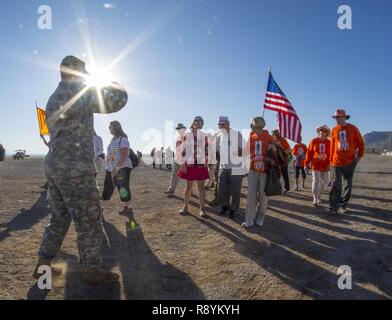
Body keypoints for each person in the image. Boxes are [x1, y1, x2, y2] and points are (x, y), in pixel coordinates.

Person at [33, 55, 128, 284]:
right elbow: (118, 100)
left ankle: (43, 265)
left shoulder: (55, 96)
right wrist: (117, 83)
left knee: (59, 218)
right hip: (75, 169)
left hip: (54, 167)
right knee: (88, 219)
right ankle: (91, 270)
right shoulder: (78, 92)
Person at [329, 109, 364, 214]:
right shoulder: (334, 130)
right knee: (336, 184)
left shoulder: (353, 128)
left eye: (338, 117)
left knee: (348, 184)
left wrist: (359, 157)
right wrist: (330, 160)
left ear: (344, 117)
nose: (337, 119)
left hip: (350, 161)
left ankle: (343, 206)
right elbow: (332, 146)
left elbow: (361, 143)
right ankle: (334, 207)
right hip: (336, 162)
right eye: (336, 117)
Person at [242, 117, 274, 228]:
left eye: (251, 125)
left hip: (265, 172)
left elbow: (275, 154)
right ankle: (249, 220)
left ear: (256, 126)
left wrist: (271, 150)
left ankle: (261, 217)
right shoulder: (251, 137)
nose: (251, 127)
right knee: (250, 195)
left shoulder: (269, 137)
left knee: (263, 196)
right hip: (253, 170)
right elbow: (246, 152)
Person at [178, 116, 209, 217]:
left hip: (201, 165)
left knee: (201, 188)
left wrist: (207, 161)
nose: (200, 124)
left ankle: (202, 209)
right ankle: (185, 207)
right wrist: (182, 164)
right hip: (190, 164)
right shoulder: (187, 135)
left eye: (201, 122)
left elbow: (207, 150)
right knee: (189, 187)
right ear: (194, 123)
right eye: (198, 122)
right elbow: (182, 151)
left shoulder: (204, 136)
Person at [214, 116, 245, 218]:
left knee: (236, 189)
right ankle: (225, 205)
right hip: (223, 166)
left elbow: (245, 150)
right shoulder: (218, 136)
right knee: (222, 188)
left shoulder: (236, 134)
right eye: (219, 124)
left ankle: (234, 208)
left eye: (223, 124)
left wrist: (236, 153)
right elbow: (216, 151)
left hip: (236, 166)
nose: (221, 126)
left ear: (228, 124)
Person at [102, 121, 134, 217]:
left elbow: (124, 156)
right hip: (111, 168)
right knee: (107, 187)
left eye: (110, 127)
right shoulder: (112, 140)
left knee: (122, 188)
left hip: (122, 167)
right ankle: (100, 209)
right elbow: (112, 154)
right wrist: (109, 163)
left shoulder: (123, 140)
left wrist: (116, 168)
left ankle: (128, 208)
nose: (109, 129)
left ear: (115, 128)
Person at [305, 125, 331, 206]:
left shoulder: (329, 143)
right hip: (315, 165)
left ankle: (319, 196)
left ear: (326, 133)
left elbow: (331, 154)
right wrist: (306, 163)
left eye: (324, 131)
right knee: (316, 181)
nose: (322, 132)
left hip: (326, 166)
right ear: (318, 132)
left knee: (325, 183)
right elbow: (309, 153)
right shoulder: (314, 141)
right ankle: (315, 198)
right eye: (321, 130)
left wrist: (330, 164)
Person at [164, 123, 187, 194]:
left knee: (188, 176)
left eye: (180, 129)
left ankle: (190, 190)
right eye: (178, 129)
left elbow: (185, 150)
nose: (178, 130)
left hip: (184, 160)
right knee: (174, 175)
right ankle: (171, 189)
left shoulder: (186, 137)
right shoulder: (178, 137)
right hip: (177, 159)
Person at [271, 129, 291, 194]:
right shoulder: (271, 140)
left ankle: (286, 188)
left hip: (283, 160)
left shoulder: (283, 140)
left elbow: (288, 150)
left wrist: (281, 146)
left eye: (274, 134)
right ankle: (277, 188)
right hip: (275, 160)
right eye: (273, 134)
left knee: (285, 174)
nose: (273, 135)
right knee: (276, 175)